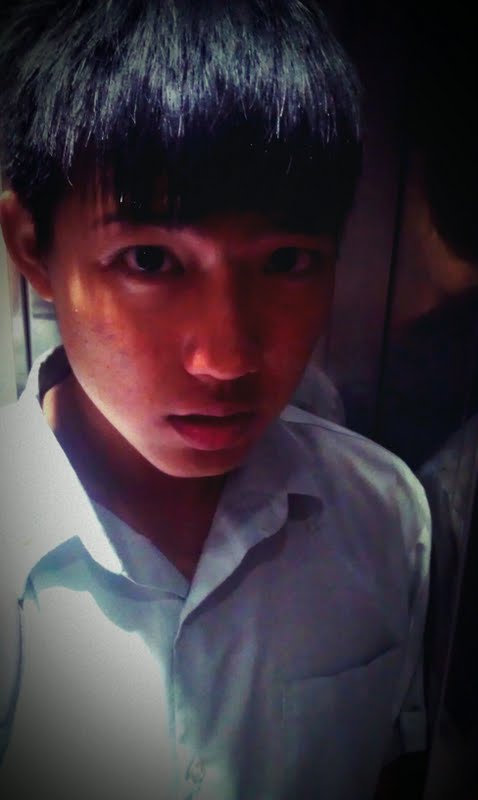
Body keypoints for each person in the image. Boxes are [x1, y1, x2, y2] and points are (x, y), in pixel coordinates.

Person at [0, 2, 430, 798]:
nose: (226, 359)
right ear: (32, 246)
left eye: (288, 261)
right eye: (150, 260)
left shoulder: (383, 516)